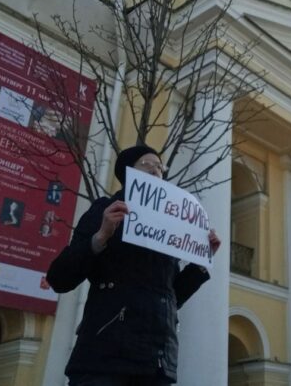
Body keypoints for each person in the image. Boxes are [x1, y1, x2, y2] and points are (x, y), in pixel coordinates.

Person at [46, 145, 222, 385]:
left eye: (160, 167)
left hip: (156, 361)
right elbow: (59, 278)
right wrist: (100, 237)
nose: (155, 171)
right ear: (128, 172)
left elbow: (169, 296)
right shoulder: (104, 210)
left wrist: (200, 263)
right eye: (147, 165)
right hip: (105, 357)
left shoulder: (169, 226)